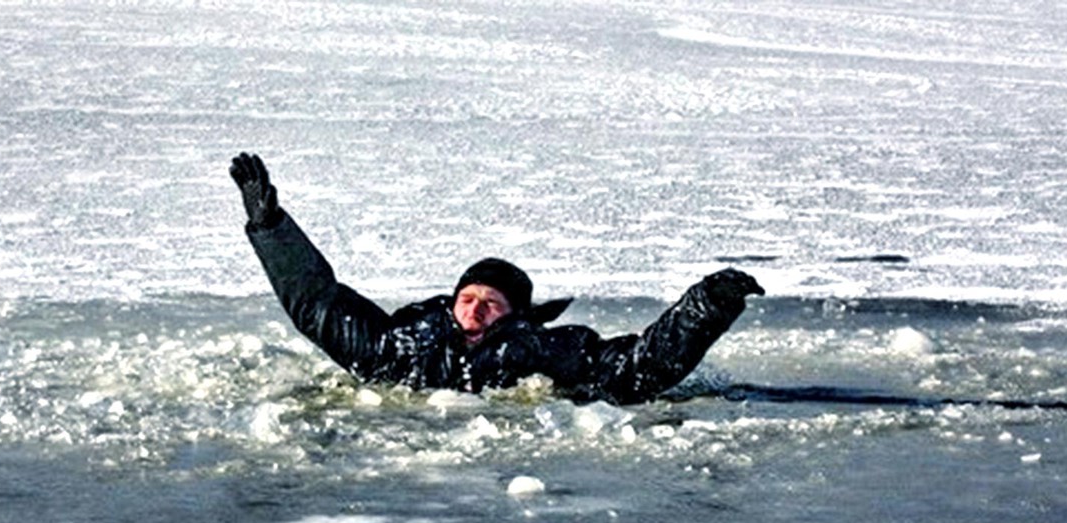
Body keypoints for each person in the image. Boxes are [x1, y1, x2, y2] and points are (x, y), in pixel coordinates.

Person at [230, 152, 764, 405]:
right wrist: (270, 226)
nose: (476, 308)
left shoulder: (545, 351)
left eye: (492, 302)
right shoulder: (399, 346)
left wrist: (707, 305)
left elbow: (638, 370)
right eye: (468, 297)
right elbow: (317, 304)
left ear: (516, 315)